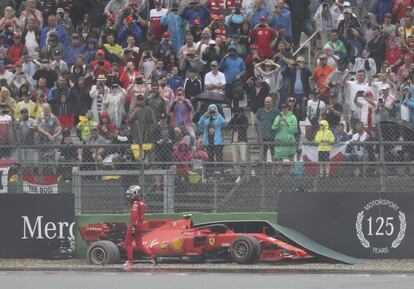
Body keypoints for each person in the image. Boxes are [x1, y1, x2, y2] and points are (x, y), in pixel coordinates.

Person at [123, 185, 156, 267]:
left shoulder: (135, 204)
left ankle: (130, 261)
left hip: (134, 225)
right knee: (139, 244)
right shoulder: (141, 203)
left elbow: (134, 217)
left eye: (130, 194)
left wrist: (133, 227)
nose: (129, 196)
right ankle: (152, 256)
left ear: (135, 193)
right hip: (140, 225)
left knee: (127, 243)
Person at [272, 102, 298, 166]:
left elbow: (294, 130)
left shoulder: (293, 117)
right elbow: (273, 127)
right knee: (279, 157)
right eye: (282, 108)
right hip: (280, 139)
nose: (283, 109)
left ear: (288, 108)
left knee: (291, 156)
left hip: (289, 140)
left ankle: (292, 171)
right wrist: (279, 122)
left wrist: (286, 122)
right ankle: (279, 171)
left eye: (285, 108)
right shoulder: (278, 117)